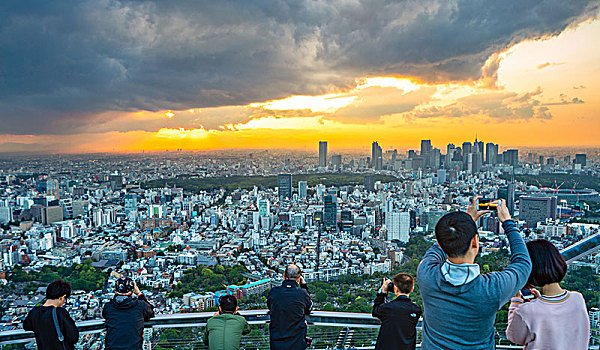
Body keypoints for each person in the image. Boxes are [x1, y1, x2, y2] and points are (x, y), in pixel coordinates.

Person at [417, 197, 532, 349]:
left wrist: (463, 224)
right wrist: (508, 223)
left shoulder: (426, 275)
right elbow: (523, 264)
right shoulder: (492, 288)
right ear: (475, 242)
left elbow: (437, 248)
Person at [506, 239, 590, 349]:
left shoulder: (527, 311)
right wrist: (540, 300)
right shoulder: (578, 299)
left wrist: (516, 303)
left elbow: (514, 337)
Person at [23, 279, 79, 350]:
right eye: (65, 299)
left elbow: (26, 326)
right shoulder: (60, 313)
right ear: (62, 297)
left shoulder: (34, 312)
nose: (64, 302)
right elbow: (73, 337)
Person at [267, 264, 312, 350]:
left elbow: (270, 306)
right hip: (297, 342)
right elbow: (309, 308)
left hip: (277, 343)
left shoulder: (274, 292)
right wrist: (304, 286)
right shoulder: (302, 294)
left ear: (284, 276)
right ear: (299, 278)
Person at [372, 273, 422, 350]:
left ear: (395, 288)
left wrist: (382, 292)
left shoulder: (387, 308)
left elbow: (375, 311)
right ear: (412, 289)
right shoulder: (416, 310)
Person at [102, 277, 155, 350]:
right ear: (132, 291)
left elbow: (106, 315)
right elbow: (151, 312)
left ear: (115, 291)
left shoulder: (108, 307)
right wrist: (139, 294)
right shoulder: (140, 305)